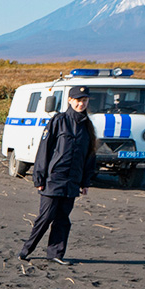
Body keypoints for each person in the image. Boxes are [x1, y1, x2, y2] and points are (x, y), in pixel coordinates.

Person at [19, 85, 96, 265]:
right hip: (54, 179)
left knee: (63, 219)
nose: (81, 104)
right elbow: (44, 150)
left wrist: (85, 181)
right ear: (70, 100)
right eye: (78, 100)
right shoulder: (58, 121)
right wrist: (39, 177)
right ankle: (26, 250)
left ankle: (55, 254)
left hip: (72, 181)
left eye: (84, 101)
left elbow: (90, 155)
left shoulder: (88, 125)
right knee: (45, 217)